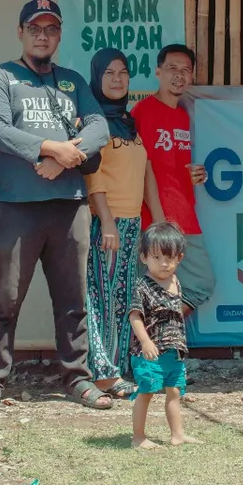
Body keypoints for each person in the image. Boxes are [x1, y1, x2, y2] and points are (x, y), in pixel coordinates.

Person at [0, 0, 114, 415]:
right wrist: (49, 148)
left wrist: (64, 158)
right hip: (18, 206)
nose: (42, 35)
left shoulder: (71, 81)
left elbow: (99, 126)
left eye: (50, 29)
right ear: (21, 33)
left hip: (69, 206)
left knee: (73, 299)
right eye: (35, 28)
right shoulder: (1, 77)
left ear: (58, 35)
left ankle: (78, 377)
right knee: (5, 298)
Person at [84, 48, 165, 400]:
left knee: (122, 298)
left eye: (123, 73)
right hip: (106, 222)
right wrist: (106, 222)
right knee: (100, 297)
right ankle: (101, 373)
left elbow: (145, 172)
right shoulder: (91, 121)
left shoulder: (130, 123)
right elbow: (92, 175)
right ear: (97, 78)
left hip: (131, 221)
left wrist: (158, 220)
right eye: (109, 73)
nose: (117, 79)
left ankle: (116, 369)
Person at [132, 44, 217, 317]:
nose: (179, 75)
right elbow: (142, 169)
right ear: (158, 72)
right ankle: (151, 352)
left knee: (198, 284)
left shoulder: (182, 115)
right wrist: (159, 223)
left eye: (185, 70)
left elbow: (171, 166)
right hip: (155, 221)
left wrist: (193, 175)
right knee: (148, 292)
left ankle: (159, 344)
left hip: (185, 216)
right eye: (172, 68)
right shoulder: (143, 111)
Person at [129, 222, 202, 450]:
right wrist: (145, 341)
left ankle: (177, 434)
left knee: (174, 392)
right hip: (148, 353)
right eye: (157, 257)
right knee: (147, 392)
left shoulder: (176, 282)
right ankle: (138, 437)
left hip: (174, 351)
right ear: (143, 258)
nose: (164, 263)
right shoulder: (142, 286)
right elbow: (135, 316)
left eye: (170, 258)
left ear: (179, 258)